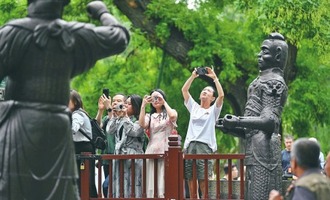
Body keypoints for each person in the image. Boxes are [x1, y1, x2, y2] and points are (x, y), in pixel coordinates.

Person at [0, 0, 129, 199]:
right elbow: (119, 35)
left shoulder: (14, 32)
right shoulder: (74, 35)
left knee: (14, 187)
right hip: (56, 125)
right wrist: (101, 11)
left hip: (20, 123)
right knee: (59, 191)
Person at [220, 33, 288, 199]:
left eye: (264, 51)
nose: (259, 55)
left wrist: (237, 121)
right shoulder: (262, 80)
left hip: (264, 153)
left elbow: (269, 122)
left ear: (277, 55)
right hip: (255, 149)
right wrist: (231, 128)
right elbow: (252, 130)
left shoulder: (274, 82)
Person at [182, 66, 224, 198]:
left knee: (203, 179)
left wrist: (215, 78)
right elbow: (184, 90)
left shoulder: (213, 110)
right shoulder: (194, 107)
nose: (205, 92)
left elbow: (222, 95)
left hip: (204, 147)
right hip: (190, 146)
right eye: (204, 90)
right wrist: (193, 76)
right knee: (190, 178)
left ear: (212, 98)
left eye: (208, 91)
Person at [139, 89, 178, 198]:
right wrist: (143, 106)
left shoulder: (170, 112)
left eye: (158, 97)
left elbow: (173, 117)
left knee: (164, 180)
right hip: (151, 150)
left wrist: (164, 102)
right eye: (153, 98)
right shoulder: (150, 116)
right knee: (151, 182)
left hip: (166, 150)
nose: (156, 100)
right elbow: (142, 124)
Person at [103, 94, 144, 198]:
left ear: (136, 106)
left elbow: (134, 132)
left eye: (129, 104)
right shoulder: (120, 118)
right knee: (117, 186)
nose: (125, 105)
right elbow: (109, 130)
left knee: (132, 186)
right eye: (125, 103)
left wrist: (125, 117)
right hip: (119, 156)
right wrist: (115, 115)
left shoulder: (140, 119)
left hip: (133, 156)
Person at [68, 89, 97, 197]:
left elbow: (72, 129)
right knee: (82, 180)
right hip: (80, 147)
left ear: (75, 102)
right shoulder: (76, 113)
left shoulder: (78, 114)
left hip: (83, 148)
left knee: (84, 180)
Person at [99, 92, 127, 197]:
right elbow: (98, 127)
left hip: (120, 158)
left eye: (118, 101)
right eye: (113, 100)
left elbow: (113, 129)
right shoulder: (107, 118)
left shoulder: (126, 119)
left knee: (107, 186)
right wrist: (101, 110)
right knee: (110, 188)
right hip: (107, 158)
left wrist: (110, 109)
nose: (115, 103)